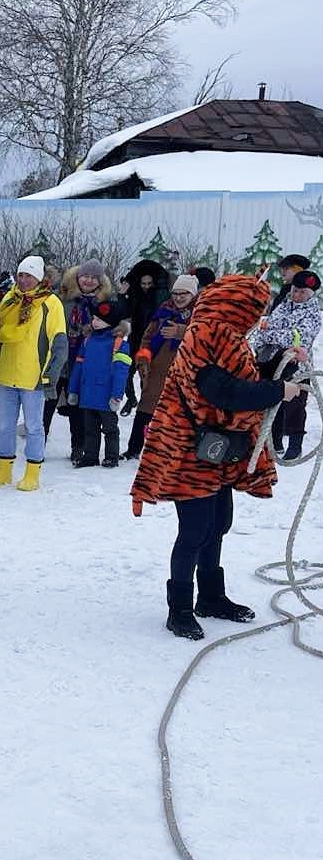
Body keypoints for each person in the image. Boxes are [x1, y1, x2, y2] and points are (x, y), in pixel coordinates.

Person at [131, 274, 305, 640]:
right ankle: (179, 608)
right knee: (194, 531)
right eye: (255, 308)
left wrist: (286, 363)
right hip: (188, 452)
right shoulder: (206, 335)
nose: (258, 316)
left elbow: (247, 374)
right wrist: (276, 390)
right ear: (238, 307)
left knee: (217, 524)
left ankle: (210, 596)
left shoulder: (228, 336)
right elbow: (220, 391)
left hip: (217, 450)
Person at [0, 255, 66, 491]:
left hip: (34, 377)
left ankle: (32, 472)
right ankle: (4, 470)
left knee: (33, 426)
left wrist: (51, 374)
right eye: (20, 275)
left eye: (29, 275)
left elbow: (59, 342)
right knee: (4, 426)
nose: (23, 280)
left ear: (39, 277)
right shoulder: (10, 299)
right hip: (7, 375)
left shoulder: (51, 303)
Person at [46, 258, 121, 462]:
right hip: (58, 358)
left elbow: (117, 325)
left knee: (77, 409)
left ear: (100, 281)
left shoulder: (104, 304)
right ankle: (38, 443)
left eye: (93, 277)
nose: (88, 281)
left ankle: (78, 446)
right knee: (47, 403)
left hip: (85, 362)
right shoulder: (63, 299)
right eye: (85, 276)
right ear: (77, 277)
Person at [127, 274, 198, 459]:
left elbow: (204, 340)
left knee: (176, 414)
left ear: (193, 295)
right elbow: (147, 338)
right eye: (176, 293)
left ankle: (169, 451)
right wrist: (143, 359)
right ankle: (134, 448)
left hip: (183, 373)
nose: (179, 297)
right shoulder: (162, 312)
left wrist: (181, 332)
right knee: (145, 411)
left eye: (184, 294)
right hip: (157, 371)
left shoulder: (199, 315)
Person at [252, 269, 321, 460]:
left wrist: (273, 334)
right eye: (295, 291)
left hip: (297, 366)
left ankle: (295, 445)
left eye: (302, 292)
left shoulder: (313, 312)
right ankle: (274, 442)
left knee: (295, 406)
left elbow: (299, 337)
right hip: (273, 361)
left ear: (310, 294)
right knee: (274, 401)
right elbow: (264, 330)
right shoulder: (284, 305)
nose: (297, 295)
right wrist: (275, 334)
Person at [66, 296, 131, 467]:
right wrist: (73, 390)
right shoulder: (88, 340)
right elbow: (78, 367)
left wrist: (117, 395)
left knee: (110, 429)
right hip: (88, 394)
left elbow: (121, 372)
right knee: (90, 429)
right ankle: (90, 456)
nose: (94, 322)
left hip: (106, 396)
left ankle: (111, 456)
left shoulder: (119, 343)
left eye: (99, 319)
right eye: (94, 318)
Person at [117, 259, 170, 411]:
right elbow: (124, 312)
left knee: (145, 375)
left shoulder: (159, 296)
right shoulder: (135, 296)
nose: (146, 286)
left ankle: (145, 405)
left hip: (151, 341)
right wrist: (122, 295)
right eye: (143, 283)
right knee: (127, 373)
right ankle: (132, 398)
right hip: (135, 339)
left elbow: (162, 309)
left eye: (149, 283)